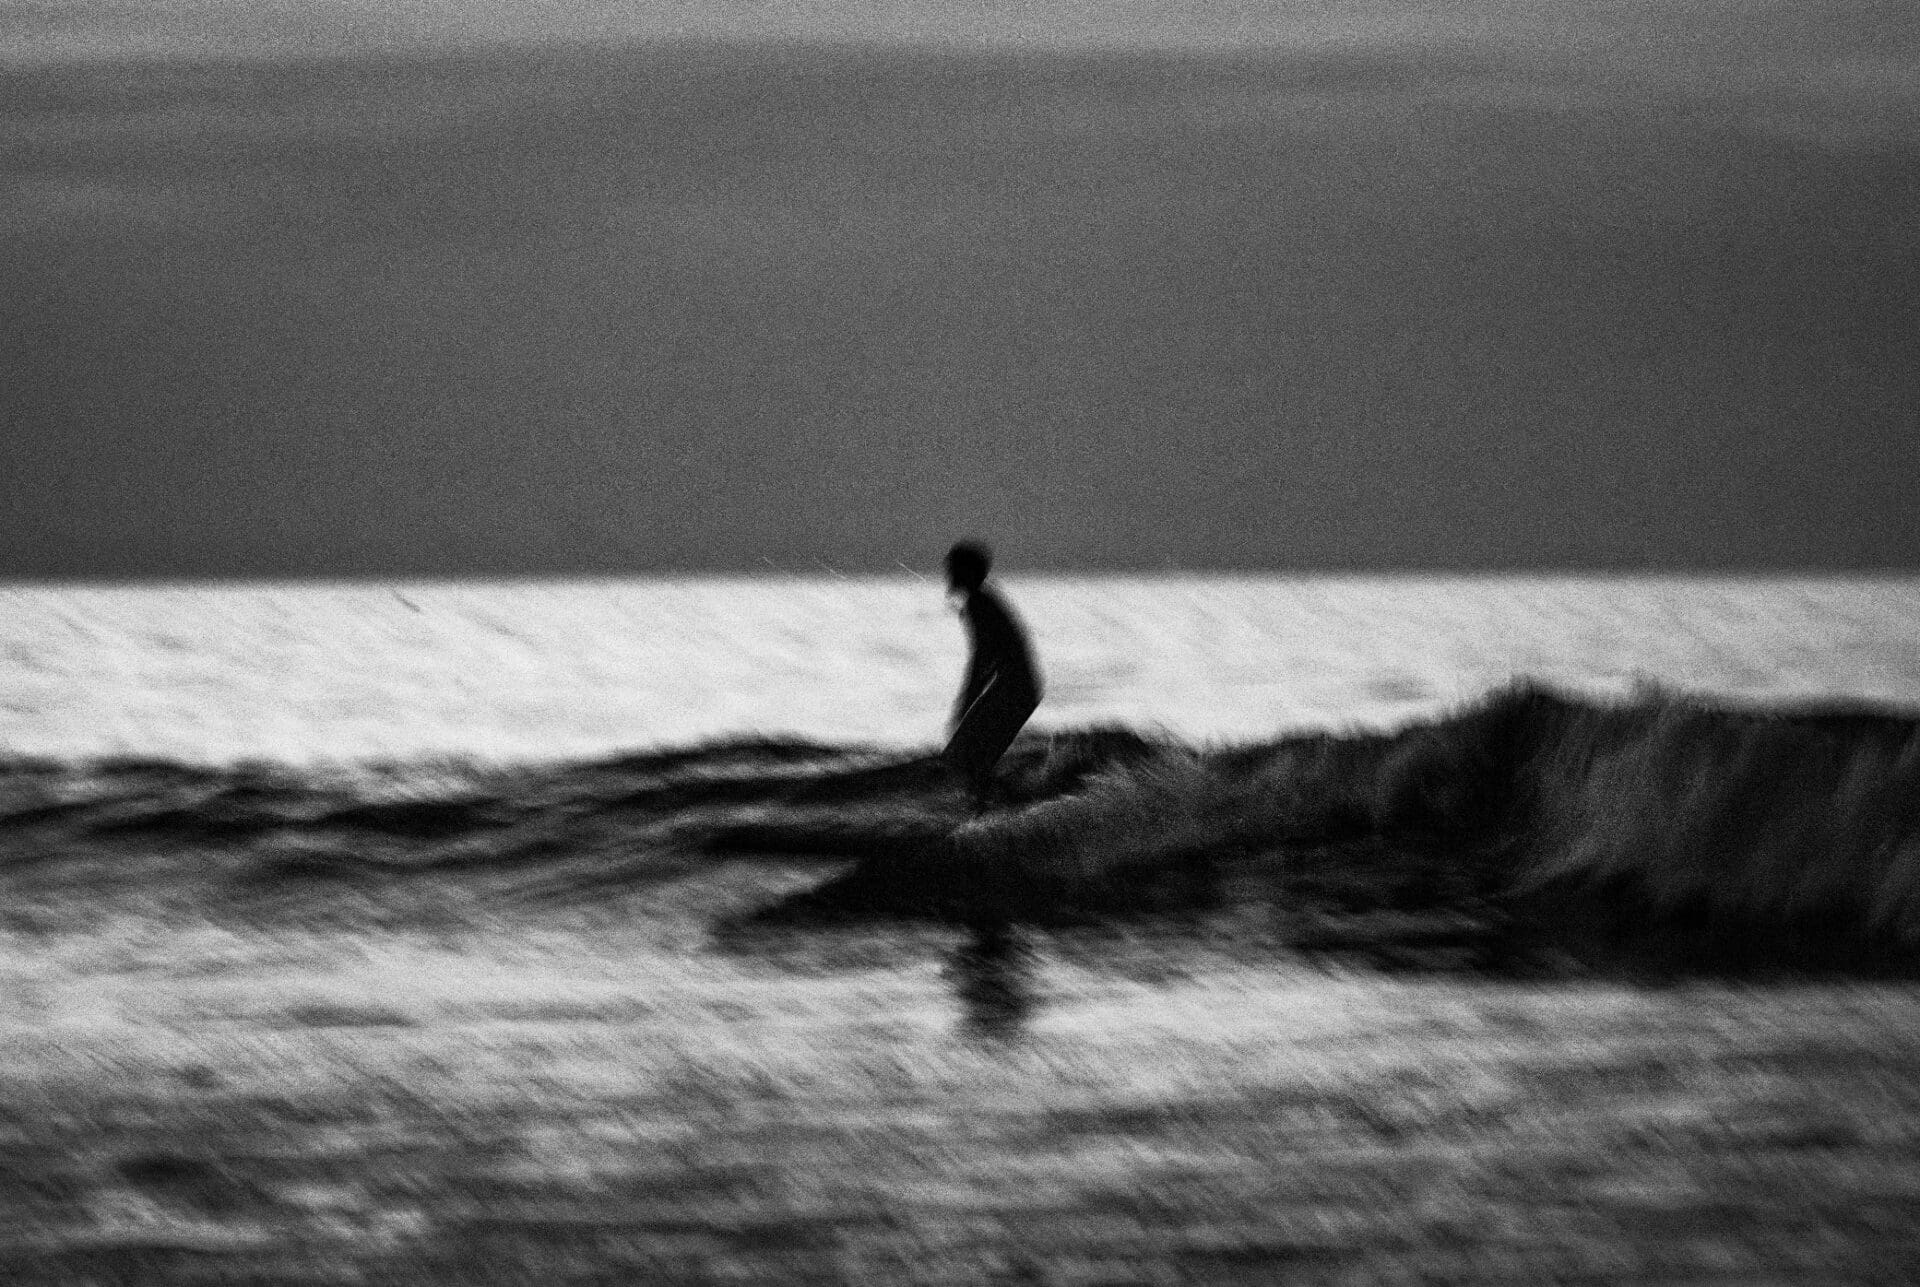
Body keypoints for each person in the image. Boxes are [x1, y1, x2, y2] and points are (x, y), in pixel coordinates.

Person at [942, 541, 1042, 812]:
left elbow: (981, 661)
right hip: (1017, 686)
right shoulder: (982, 600)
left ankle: (996, 815)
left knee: (965, 756)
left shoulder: (979, 603)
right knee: (971, 758)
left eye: (952, 568)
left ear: (968, 572)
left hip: (1016, 688)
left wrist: (964, 705)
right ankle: (1000, 810)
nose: (947, 574)